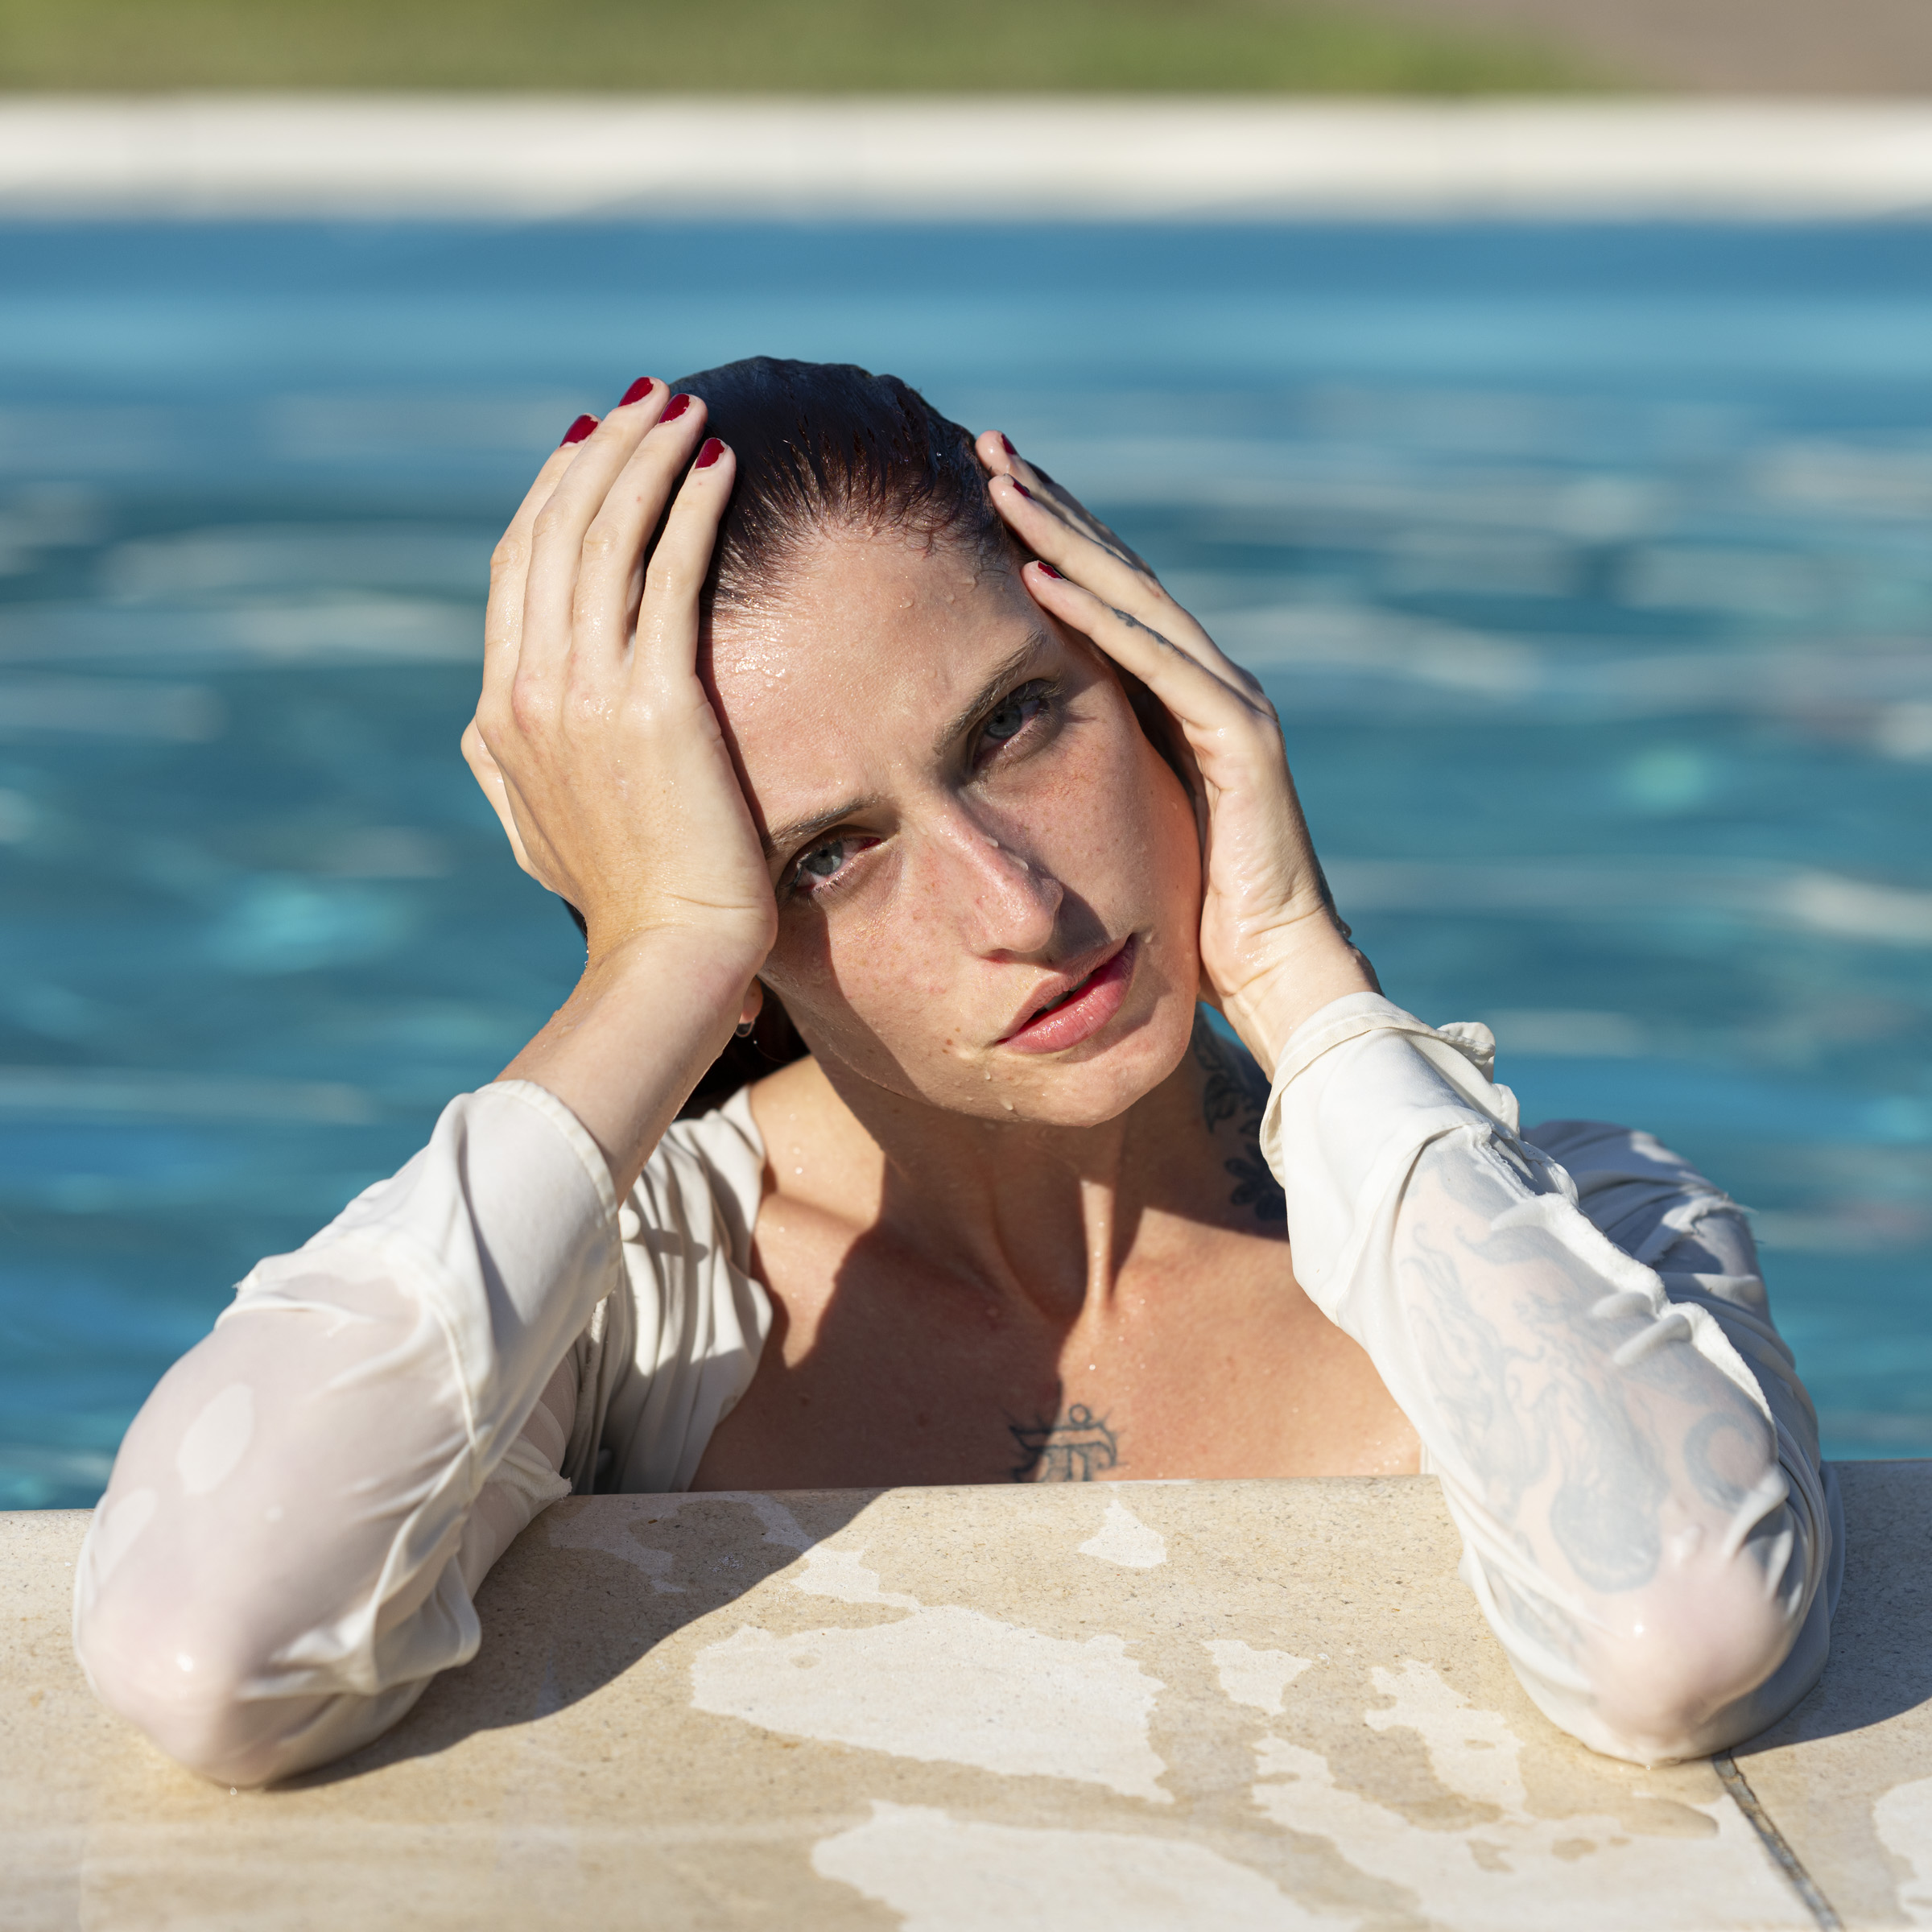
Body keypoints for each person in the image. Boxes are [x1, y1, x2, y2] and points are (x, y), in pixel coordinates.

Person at [70, 359, 1839, 1790]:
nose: (1019, 905)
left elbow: (1674, 1640)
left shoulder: (1572, 1237)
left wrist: (1300, 969)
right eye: (823, 857)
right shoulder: (636, 1313)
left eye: (1017, 723)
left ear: (1151, 676)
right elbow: (212, 1655)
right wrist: (660, 958)